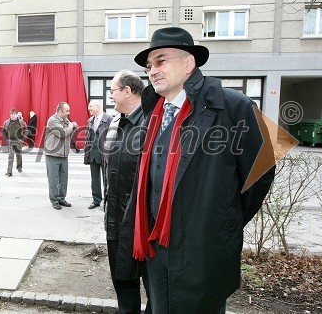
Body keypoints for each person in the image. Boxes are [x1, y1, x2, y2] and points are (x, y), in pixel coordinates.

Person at [116, 27, 276, 313]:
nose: (152, 70)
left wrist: (221, 221)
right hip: (155, 249)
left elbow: (260, 174)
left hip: (203, 252)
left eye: (161, 60)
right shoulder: (153, 113)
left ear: (189, 63)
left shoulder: (232, 106)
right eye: (149, 65)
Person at [103, 69, 151, 314]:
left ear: (128, 91)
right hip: (115, 222)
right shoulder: (115, 122)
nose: (110, 96)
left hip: (141, 227)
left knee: (152, 286)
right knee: (123, 282)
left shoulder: (152, 123)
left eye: (112, 91)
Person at [44, 102, 78, 210]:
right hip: (53, 154)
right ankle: (54, 200)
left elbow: (68, 136)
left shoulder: (66, 121)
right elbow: (62, 133)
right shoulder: (52, 120)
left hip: (64, 154)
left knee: (63, 179)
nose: (69, 113)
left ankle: (62, 198)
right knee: (53, 179)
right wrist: (71, 126)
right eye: (67, 111)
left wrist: (73, 128)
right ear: (60, 111)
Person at [84, 100, 112, 209]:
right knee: (94, 180)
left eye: (90, 106)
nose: (89, 108)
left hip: (105, 155)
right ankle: (96, 200)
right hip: (93, 155)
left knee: (107, 179)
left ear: (98, 106)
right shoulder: (90, 120)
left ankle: (107, 202)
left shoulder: (109, 119)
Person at [2, 108, 28, 176]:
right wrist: (6, 139)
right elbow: (3, 131)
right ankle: (9, 172)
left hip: (18, 141)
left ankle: (19, 167)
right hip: (10, 141)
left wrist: (22, 139)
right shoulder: (6, 122)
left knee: (19, 155)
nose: (13, 115)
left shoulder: (21, 122)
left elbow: (26, 131)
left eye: (14, 114)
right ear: (10, 115)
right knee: (10, 156)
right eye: (11, 114)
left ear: (17, 115)